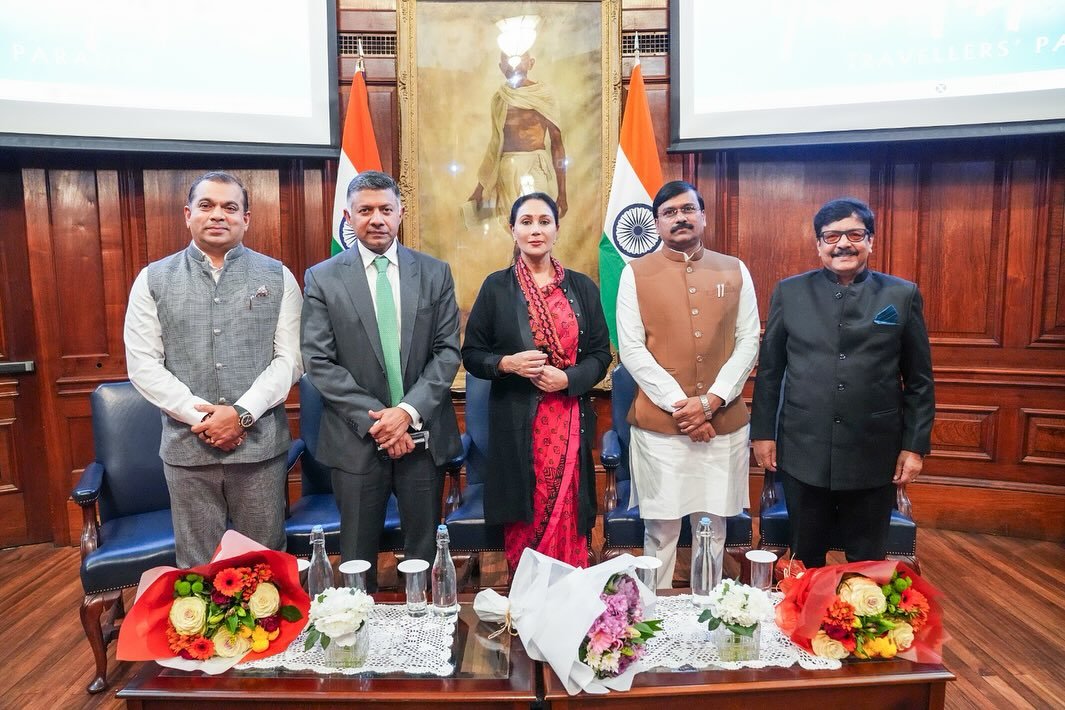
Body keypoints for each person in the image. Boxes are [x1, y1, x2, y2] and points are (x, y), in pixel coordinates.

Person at [124, 171, 303, 568]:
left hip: (259, 450)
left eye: (230, 207)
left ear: (246, 219)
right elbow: (143, 364)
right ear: (188, 214)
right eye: (206, 205)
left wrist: (240, 415)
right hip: (188, 452)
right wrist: (204, 419)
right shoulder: (153, 279)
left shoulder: (278, 276)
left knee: (265, 565)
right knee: (198, 570)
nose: (218, 214)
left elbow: (290, 359)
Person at [750, 197, 934, 567]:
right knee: (805, 560)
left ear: (871, 241)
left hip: (873, 452)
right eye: (831, 236)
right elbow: (770, 371)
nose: (843, 244)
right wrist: (763, 434)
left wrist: (914, 448)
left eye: (854, 234)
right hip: (803, 449)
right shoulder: (789, 292)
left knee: (866, 563)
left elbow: (919, 380)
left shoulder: (901, 294)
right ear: (819, 244)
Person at [301, 170, 462, 591]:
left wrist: (405, 414)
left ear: (400, 214)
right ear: (348, 216)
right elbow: (319, 361)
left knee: (423, 557)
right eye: (365, 210)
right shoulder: (322, 277)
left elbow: (447, 352)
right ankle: (358, 629)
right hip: (355, 440)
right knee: (356, 560)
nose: (377, 219)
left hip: (422, 439)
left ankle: (426, 625)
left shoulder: (434, 273)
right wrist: (382, 422)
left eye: (385, 209)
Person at [616, 180, 760, 589]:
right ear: (657, 223)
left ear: (703, 216)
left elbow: (749, 341)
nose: (679, 218)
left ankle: (709, 609)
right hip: (660, 427)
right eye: (669, 212)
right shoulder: (635, 273)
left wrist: (712, 401)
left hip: (723, 423)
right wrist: (684, 407)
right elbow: (631, 349)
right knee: (660, 530)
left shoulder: (734, 268)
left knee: (712, 528)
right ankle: (654, 611)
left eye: (687, 209)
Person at [462, 192, 610, 570]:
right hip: (517, 426)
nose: (535, 230)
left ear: (557, 229)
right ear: (512, 229)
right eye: (526, 222)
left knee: (568, 510)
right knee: (526, 511)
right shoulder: (496, 287)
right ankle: (527, 596)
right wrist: (507, 363)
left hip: (570, 418)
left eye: (544, 221)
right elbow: (472, 355)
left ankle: (569, 593)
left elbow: (600, 356)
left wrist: (568, 378)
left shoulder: (582, 288)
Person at [468, 52, 568, 227]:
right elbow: (495, 145)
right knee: (513, 226)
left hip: (536, 168)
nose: (513, 66)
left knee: (536, 223)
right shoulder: (499, 99)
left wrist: (562, 193)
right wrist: (480, 189)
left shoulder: (543, 95)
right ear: (501, 67)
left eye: (520, 59)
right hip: (507, 170)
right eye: (507, 62)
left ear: (531, 63)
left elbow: (557, 143)